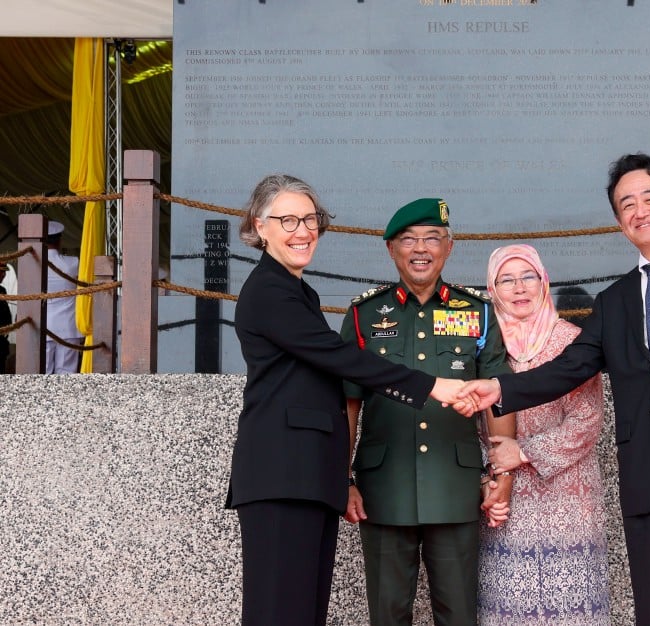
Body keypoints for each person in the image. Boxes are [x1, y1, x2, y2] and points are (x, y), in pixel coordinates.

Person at [457, 153, 650, 626]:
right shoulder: (615, 299)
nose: (639, 210)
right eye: (627, 204)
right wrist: (497, 388)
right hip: (645, 477)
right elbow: (570, 368)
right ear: (619, 222)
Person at [226, 176, 470, 626]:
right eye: (288, 220)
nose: (303, 231)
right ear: (260, 227)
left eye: (310, 219)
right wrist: (431, 386)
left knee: (302, 611)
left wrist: (341, 475)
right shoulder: (268, 291)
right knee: (280, 612)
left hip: (305, 475)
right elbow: (341, 359)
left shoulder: (298, 289)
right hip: (282, 474)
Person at [339, 198, 516, 626]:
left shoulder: (477, 312)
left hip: (454, 486)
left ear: (449, 247)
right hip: (383, 489)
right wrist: (341, 479)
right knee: (387, 613)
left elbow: (499, 394)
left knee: (458, 615)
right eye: (409, 239)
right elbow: (346, 402)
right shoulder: (364, 315)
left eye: (432, 238)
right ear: (391, 249)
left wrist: (503, 476)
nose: (421, 248)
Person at [477, 244, 610, 625]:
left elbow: (587, 419)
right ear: (492, 290)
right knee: (510, 606)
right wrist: (486, 477)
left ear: (543, 282)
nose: (518, 288)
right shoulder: (484, 347)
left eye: (527, 277)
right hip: (505, 499)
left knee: (569, 607)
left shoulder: (571, 341)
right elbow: (469, 424)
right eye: (506, 279)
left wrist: (523, 451)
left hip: (567, 500)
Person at [45, 221, 84, 373]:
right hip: (68, 326)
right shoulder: (73, 263)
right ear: (59, 240)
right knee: (66, 374)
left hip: (44, 327)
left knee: (42, 373)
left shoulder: (34, 262)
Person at [0, 262, 11, 373]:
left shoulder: (2, 290)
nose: (3, 275)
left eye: (4, 272)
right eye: (1, 271)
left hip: (2, 341)